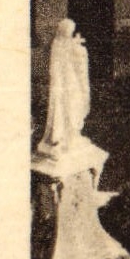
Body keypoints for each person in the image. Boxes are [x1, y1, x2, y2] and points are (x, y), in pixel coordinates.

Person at [38, 18, 91, 156]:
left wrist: (77, 46)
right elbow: (60, 62)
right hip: (64, 82)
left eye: (71, 31)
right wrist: (76, 46)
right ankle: (63, 136)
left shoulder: (67, 43)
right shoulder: (58, 44)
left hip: (71, 79)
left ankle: (73, 133)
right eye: (68, 31)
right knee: (65, 106)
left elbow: (76, 54)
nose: (70, 33)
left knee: (75, 103)